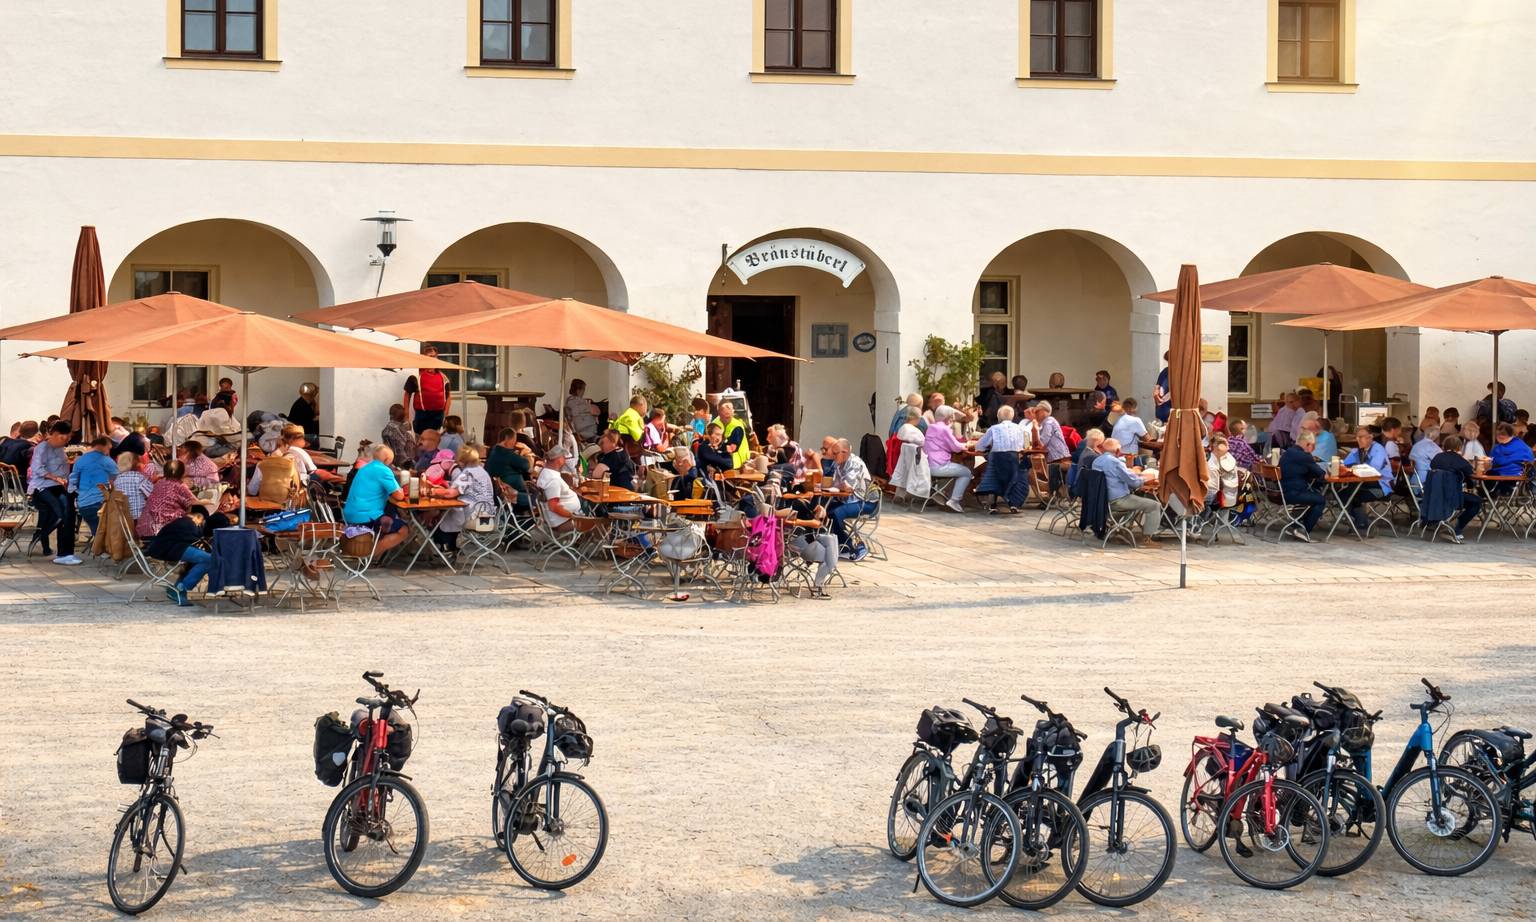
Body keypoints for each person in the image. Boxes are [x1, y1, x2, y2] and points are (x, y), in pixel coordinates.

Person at [341, 445, 411, 557]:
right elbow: (399, 495)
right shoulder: (383, 470)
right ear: (388, 459)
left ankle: (376, 551)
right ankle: (371, 556)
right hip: (366, 517)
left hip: (350, 514)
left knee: (390, 512)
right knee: (403, 529)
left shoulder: (365, 468)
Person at [1092, 437, 1161, 546]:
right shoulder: (1115, 462)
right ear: (1118, 451)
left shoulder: (1097, 461)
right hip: (1118, 500)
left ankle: (1124, 528)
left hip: (1103, 499)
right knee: (1154, 505)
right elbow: (1133, 482)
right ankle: (1147, 539)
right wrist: (1146, 478)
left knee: (1137, 498)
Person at [28, 421, 79, 564]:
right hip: (42, 488)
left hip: (59, 486)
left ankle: (66, 553)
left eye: (69, 437)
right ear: (55, 435)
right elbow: (37, 468)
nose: (67, 440)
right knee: (62, 513)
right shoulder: (43, 447)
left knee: (69, 512)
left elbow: (63, 469)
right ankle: (47, 540)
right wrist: (55, 478)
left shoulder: (61, 449)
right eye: (65, 437)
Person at [433, 447, 494, 558]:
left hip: (475, 517)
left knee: (449, 514)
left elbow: (450, 493)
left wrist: (433, 491)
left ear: (462, 461)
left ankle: (446, 547)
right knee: (453, 512)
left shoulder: (468, 473)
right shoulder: (481, 471)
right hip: (487, 516)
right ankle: (451, 547)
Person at [148, 505, 212, 607]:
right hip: (171, 549)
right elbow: (196, 538)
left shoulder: (182, 521)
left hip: (169, 548)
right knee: (209, 559)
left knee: (201, 559)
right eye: (201, 522)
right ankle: (183, 588)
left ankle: (177, 588)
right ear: (198, 517)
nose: (200, 524)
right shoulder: (189, 523)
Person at [827, 438, 874, 561]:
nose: (833, 456)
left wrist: (834, 485)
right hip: (848, 500)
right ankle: (841, 545)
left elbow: (847, 488)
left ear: (845, 452)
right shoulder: (838, 463)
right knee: (826, 509)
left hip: (864, 502)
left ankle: (854, 546)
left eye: (835, 453)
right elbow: (831, 481)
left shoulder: (854, 463)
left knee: (837, 513)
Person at [975, 404, 1027, 514]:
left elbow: (980, 446)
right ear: (1012, 417)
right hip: (1014, 459)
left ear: (999, 416)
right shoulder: (1019, 428)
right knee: (1014, 479)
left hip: (997, 458)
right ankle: (1013, 504)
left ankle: (993, 506)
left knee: (994, 478)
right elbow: (1023, 446)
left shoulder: (994, 429)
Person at [1429, 436, 1482, 543]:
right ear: (1459, 447)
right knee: (1477, 501)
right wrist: (1471, 487)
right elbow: (1470, 476)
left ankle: (1441, 523)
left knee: (1467, 499)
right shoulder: (1461, 461)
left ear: (1444, 446)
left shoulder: (1436, 458)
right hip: (1452, 498)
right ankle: (1458, 528)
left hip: (1434, 496)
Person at [1277, 431, 1327, 542]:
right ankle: (1303, 530)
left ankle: (1295, 526)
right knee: (1320, 500)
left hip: (1281, 492)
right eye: (1313, 446)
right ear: (1307, 444)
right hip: (1293, 493)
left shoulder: (1288, 452)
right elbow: (1321, 474)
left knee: (1313, 495)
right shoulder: (1304, 456)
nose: (1313, 449)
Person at [1341, 426, 1393, 532]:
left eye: (1361, 437)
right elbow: (1345, 465)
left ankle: (1360, 522)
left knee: (1351, 494)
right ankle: (1359, 521)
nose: (1358, 440)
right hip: (1363, 483)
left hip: (1381, 485)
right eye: (1357, 437)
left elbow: (1373, 470)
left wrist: (1354, 467)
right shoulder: (1357, 451)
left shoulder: (1378, 449)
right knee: (1342, 493)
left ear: (1370, 437)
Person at [923, 405, 972, 513]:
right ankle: (954, 500)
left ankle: (941, 492)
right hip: (939, 466)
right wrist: (967, 444)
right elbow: (955, 447)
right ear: (947, 417)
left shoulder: (931, 427)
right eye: (951, 417)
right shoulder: (944, 429)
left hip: (927, 466)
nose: (953, 419)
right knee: (966, 472)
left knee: (957, 468)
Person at [69, 435, 117, 538]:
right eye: (108, 448)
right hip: (101, 503)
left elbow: (73, 481)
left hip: (83, 504)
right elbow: (117, 478)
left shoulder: (80, 460)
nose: (109, 451)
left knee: (96, 526)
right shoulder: (107, 461)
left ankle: (98, 543)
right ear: (101, 446)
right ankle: (102, 546)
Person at [137, 459, 196, 539]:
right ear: (181, 472)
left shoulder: (159, 483)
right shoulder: (180, 486)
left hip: (144, 529)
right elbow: (194, 502)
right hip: (163, 531)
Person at [405, 345, 451, 435]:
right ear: (424, 358)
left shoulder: (443, 377)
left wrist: (446, 415)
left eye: (434, 356)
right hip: (422, 415)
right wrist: (407, 417)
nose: (432, 359)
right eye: (430, 356)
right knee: (422, 441)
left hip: (438, 415)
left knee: (435, 440)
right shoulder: (416, 376)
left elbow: (448, 397)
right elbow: (407, 395)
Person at [487, 427, 535, 510]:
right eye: (514, 440)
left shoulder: (494, 451)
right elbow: (527, 466)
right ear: (506, 439)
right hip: (514, 496)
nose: (514, 443)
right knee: (541, 499)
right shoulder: (506, 454)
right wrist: (529, 455)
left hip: (503, 494)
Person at [536, 446, 582, 531]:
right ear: (559, 459)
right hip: (563, 522)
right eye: (564, 457)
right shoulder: (553, 480)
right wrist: (572, 516)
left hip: (558, 520)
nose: (565, 460)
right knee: (598, 525)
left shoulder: (545, 473)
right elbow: (553, 506)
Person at [1488, 422, 1534, 487]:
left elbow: (1492, 462)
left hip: (1502, 478)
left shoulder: (1498, 448)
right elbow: (1530, 461)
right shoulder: (1525, 447)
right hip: (1519, 480)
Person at [112, 451, 154, 521]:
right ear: (134, 463)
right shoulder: (139, 478)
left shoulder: (117, 480)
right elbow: (153, 495)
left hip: (123, 521)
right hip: (138, 519)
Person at [714, 400, 751, 470]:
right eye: (725, 411)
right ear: (719, 413)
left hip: (738, 461)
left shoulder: (737, 426)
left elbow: (732, 448)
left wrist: (716, 447)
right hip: (723, 457)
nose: (729, 414)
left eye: (730, 410)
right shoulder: (715, 423)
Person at [1205, 435, 1240, 510]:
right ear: (1218, 446)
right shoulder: (1212, 463)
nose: (1228, 448)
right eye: (1226, 445)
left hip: (1214, 492)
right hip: (1212, 494)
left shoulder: (1216, 458)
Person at [1153, 351, 1172, 423]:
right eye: (1168, 361)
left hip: (1173, 415)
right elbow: (1157, 387)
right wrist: (1156, 392)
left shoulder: (1183, 374)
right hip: (1161, 414)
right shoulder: (1165, 371)